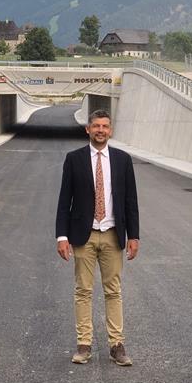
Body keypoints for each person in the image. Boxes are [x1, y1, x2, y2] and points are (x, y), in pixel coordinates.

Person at [56, 109, 140, 366]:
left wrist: (134, 235)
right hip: (84, 235)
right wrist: (62, 236)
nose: (100, 130)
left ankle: (117, 345)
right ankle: (84, 344)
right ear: (88, 129)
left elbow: (130, 201)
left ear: (110, 130)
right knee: (83, 290)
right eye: (96, 126)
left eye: (105, 126)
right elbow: (64, 200)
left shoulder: (123, 160)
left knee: (113, 291)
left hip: (113, 234)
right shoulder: (74, 159)